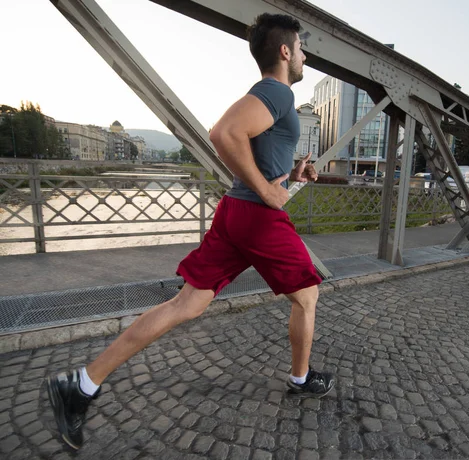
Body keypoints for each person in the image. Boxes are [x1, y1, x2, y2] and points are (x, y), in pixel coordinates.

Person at [46, 13, 335, 450]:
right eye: (301, 48)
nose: (304, 55)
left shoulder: (273, 98)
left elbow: (257, 160)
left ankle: (82, 384)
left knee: (187, 303)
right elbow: (223, 133)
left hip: (237, 212)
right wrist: (266, 190)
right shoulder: (275, 91)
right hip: (256, 217)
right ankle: (300, 378)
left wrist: (293, 176)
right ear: (284, 51)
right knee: (308, 295)